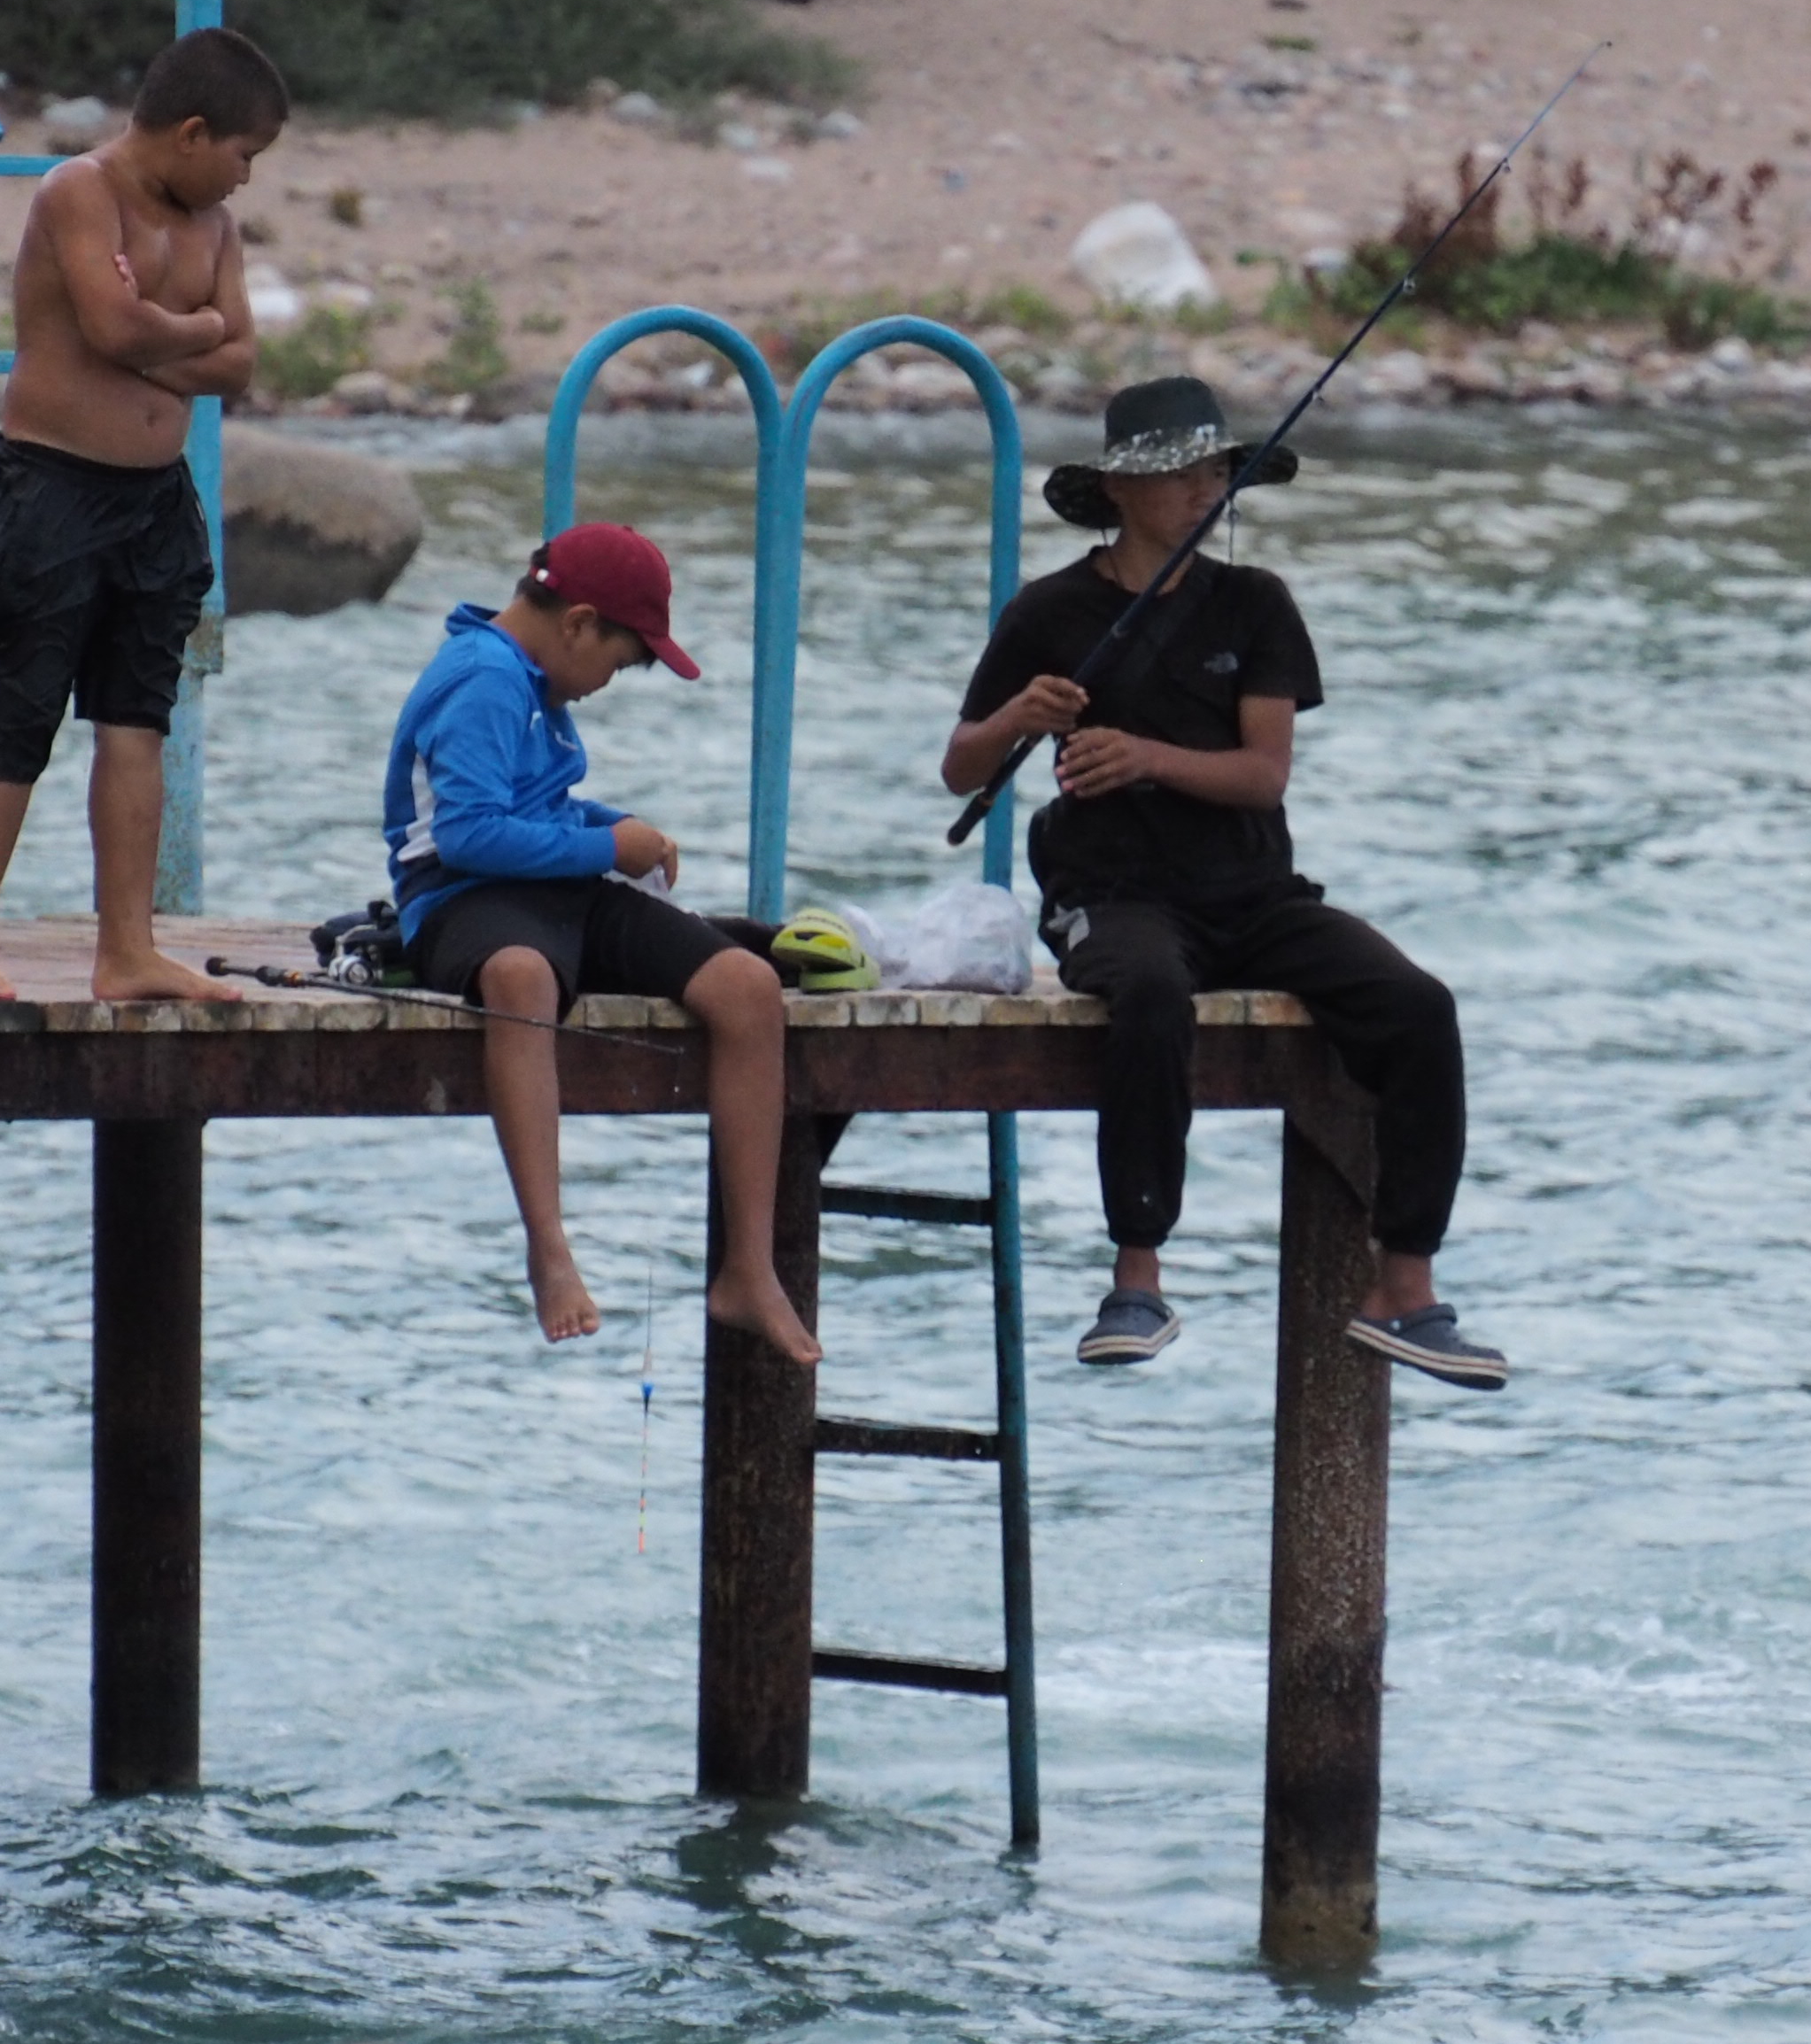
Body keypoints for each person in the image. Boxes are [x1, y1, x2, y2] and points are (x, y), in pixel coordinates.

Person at [942, 377, 1505, 1390]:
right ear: (1119, 487)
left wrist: (1146, 757)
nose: (1208, 488)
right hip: (1111, 895)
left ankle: (1406, 1288)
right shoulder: (1050, 611)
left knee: (1418, 1007)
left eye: (1216, 470)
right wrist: (1019, 716)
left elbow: (1263, 775)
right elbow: (960, 770)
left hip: (1251, 892)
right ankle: (1137, 1276)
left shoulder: (1256, 603)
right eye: (1182, 473)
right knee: (1151, 994)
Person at [382, 523, 819, 1366]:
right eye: (618, 664)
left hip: (558, 886)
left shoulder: (533, 679)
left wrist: (611, 825)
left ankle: (749, 1270)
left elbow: (536, 808)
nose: (607, 684)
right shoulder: (482, 678)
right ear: (578, 622)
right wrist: (607, 850)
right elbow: (469, 835)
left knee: (747, 986)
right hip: (459, 895)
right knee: (520, 978)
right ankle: (549, 1247)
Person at [0, 24, 281, 1005]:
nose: (244, 181)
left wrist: (170, 335)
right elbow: (106, 324)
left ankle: (125, 949)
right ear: (190, 131)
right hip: (53, 484)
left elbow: (240, 364)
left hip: (156, 498)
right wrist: (185, 329)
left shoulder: (216, 227)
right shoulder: (78, 193)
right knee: (23, 709)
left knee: (139, 718)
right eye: (242, 157)